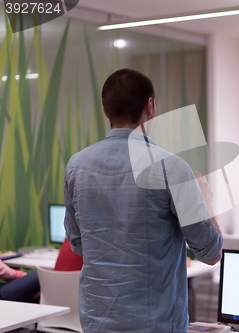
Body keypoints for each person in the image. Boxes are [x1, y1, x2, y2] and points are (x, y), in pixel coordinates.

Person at [64, 68, 223, 333]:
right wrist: (206, 203)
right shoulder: (171, 168)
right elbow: (211, 253)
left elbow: (78, 245)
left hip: (96, 321)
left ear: (106, 111)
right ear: (150, 106)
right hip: (155, 325)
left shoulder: (76, 166)